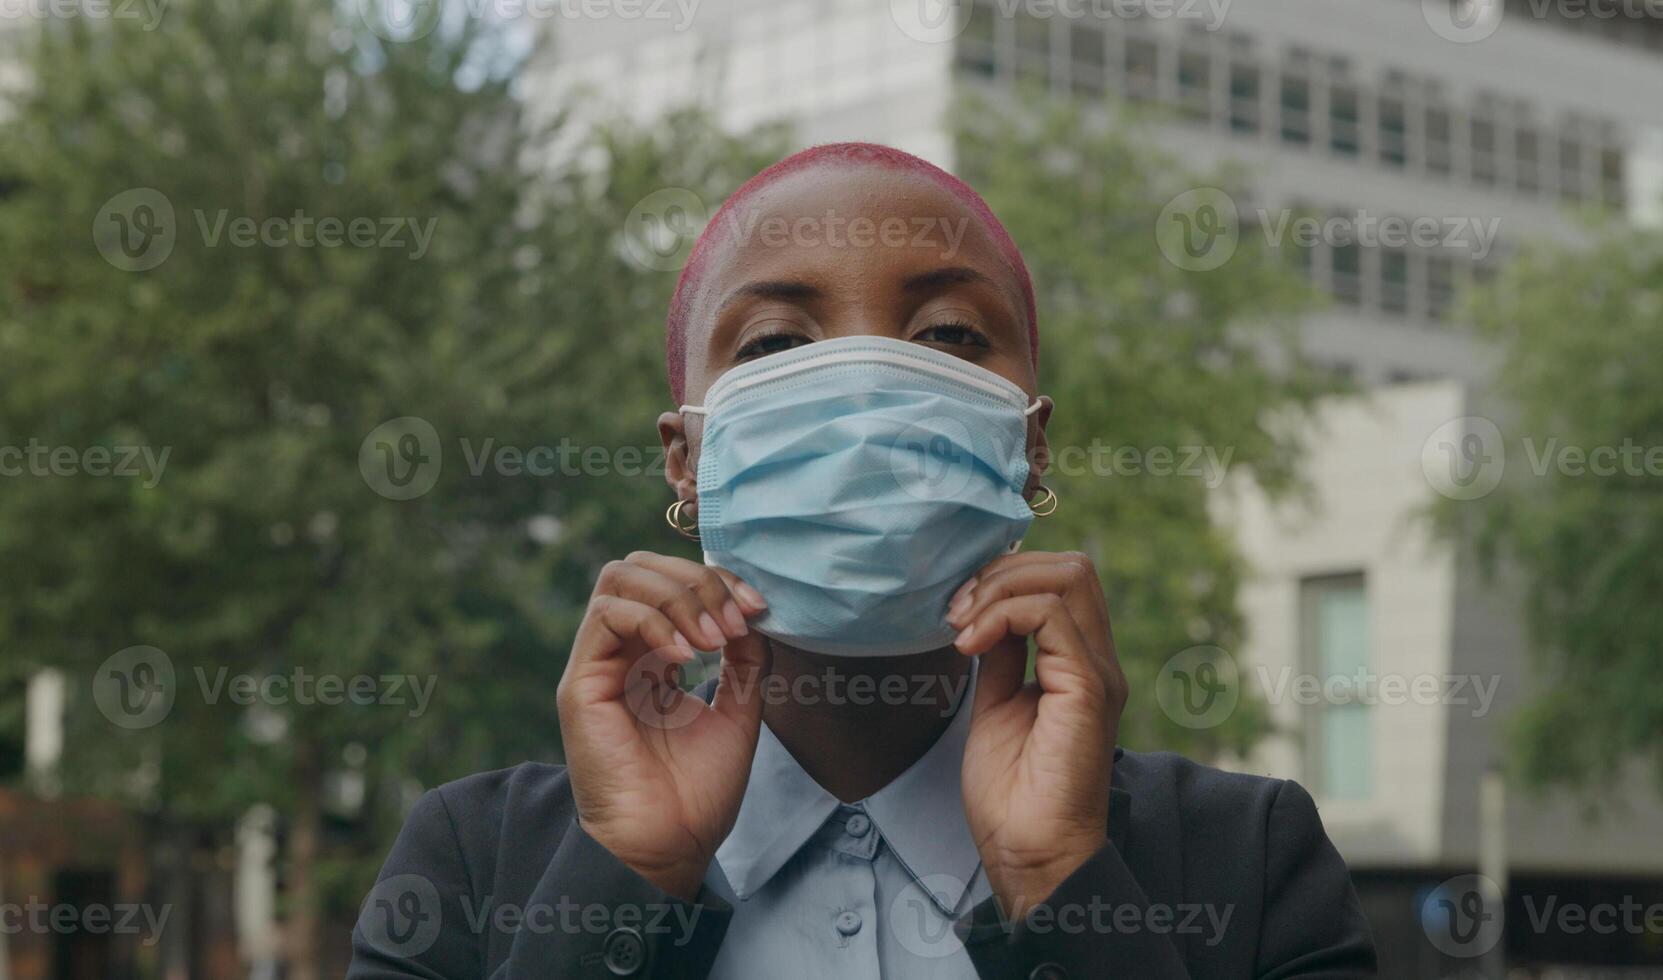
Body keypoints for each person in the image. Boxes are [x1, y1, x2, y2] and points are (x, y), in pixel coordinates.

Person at [348, 142, 1377, 979]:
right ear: (686, 461)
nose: (867, 387)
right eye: (771, 345)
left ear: (1029, 443)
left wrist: (1062, 880)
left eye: (947, 332)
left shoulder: (1247, 857)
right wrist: (624, 874)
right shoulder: (472, 860)